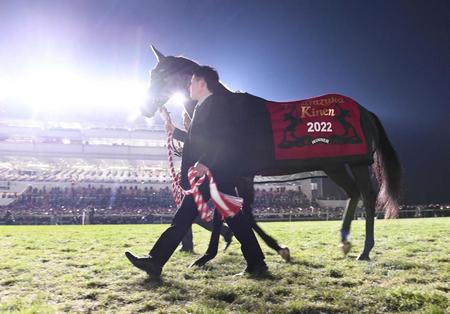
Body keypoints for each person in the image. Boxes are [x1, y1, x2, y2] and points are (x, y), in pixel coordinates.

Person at [125, 66, 267, 277]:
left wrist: (205, 162)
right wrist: (176, 132)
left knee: (188, 219)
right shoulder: (204, 106)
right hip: (214, 175)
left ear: (202, 84)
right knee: (229, 219)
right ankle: (256, 263)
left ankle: (156, 261)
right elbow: (199, 141)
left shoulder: (216, 106)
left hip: (214, 174)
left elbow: (224, 139)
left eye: (192, 82)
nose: (189, 86)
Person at [163, 101, 233, 253]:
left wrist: (173, 130)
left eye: (188, 119)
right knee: (185, 213)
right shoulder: (191, 137)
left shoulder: (201, 134)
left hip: (201, 180)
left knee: (189, 214)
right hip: (189, 182)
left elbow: (196, 141)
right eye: (185, 121)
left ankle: (224, 232)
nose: (187, 123)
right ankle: (187, 245)